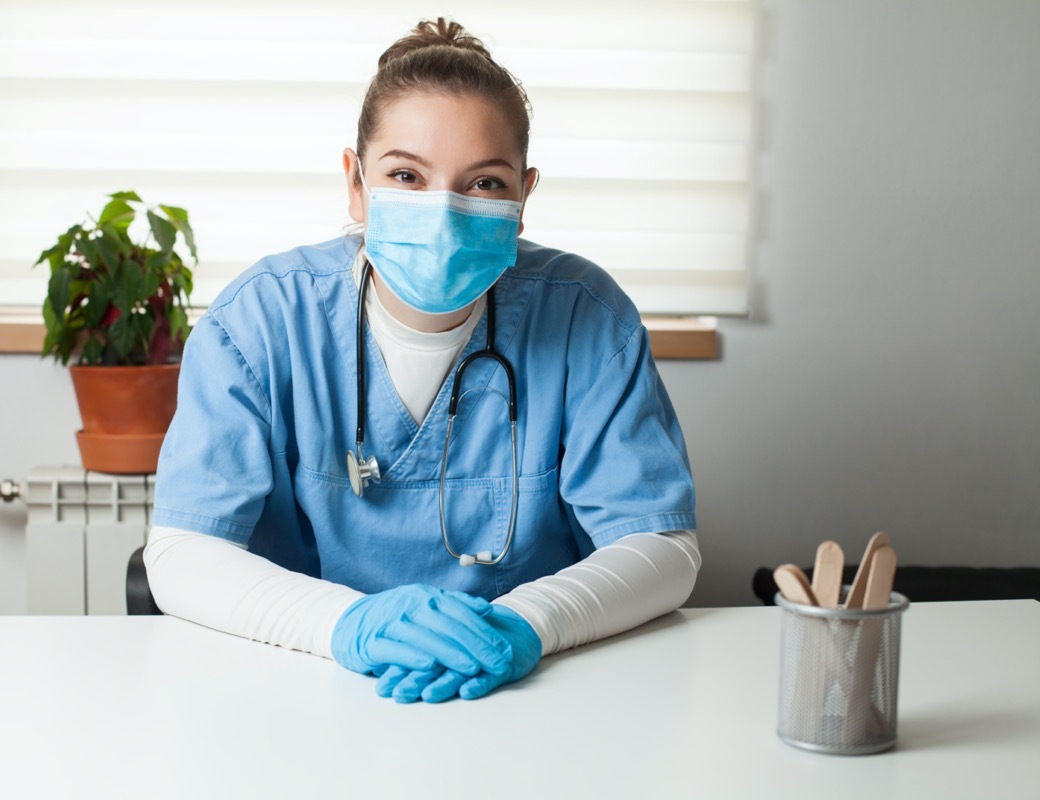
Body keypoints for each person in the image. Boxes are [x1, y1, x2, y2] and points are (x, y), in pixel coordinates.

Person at [146, 18, 699, 703]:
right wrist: (346, 623)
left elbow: (665, 550)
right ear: (355, 184)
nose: (443, 211)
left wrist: (529, 623)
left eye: (486, 184)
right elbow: (179, 555)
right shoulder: (259, 322)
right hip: (303, 688)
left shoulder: (585, 316)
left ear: (524, 197)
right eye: (406, 175)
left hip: (530, 693)